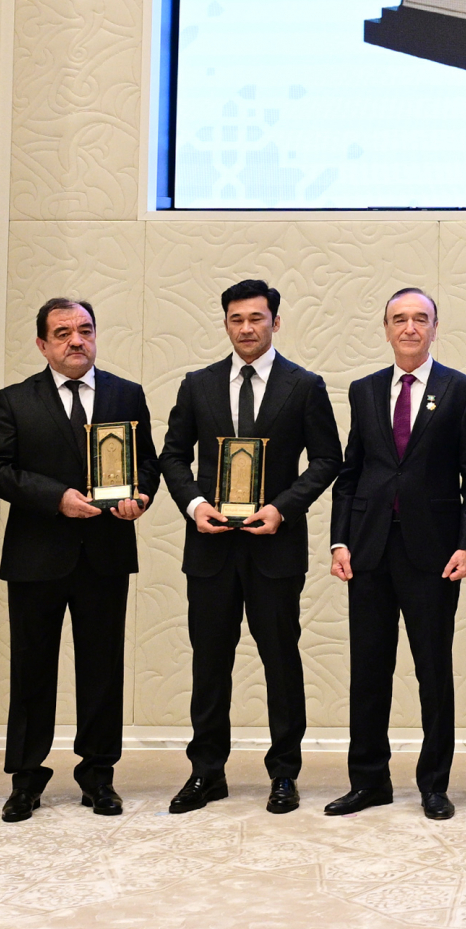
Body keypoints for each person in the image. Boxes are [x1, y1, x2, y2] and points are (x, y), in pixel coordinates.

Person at [158, 279, 342, 816]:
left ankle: (284, 773)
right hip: (210, 547)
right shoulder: (198, 385)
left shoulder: (304, 386)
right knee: (209, 663)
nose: (246, 328)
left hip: (274, 546)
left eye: (256, 318)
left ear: (275, 322)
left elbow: (328, 459)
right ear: (226, 324)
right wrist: (195, 505)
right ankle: (206, 772)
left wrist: (283, 507)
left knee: (281, 661)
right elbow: (173, 455)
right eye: (236, 319)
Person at [0, 298, 159, 821]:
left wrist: (141, 496)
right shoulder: (15, 400)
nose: (76, 340)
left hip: (105, 553)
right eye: (62, 333)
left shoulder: (127, 394)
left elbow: (146, 464)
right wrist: (56, 497)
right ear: (42, 344)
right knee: (31, 669)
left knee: (102, 668)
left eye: (85, 330)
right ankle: (25, 779)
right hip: (36, 554)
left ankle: (98, 775)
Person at [325, 287, 466, 820]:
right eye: (400, 319)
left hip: (434, 552)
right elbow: (351, 472)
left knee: (432, 672)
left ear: (435, 328)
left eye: (420, 319)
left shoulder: (461, 390)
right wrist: (340, 540)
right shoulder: (365, 390)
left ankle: (434, 784)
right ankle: (369, 781)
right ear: (387, 329)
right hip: (368, 549)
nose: (410, 328)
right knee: (368, 671)